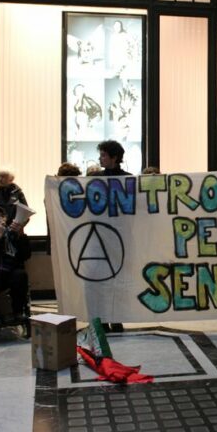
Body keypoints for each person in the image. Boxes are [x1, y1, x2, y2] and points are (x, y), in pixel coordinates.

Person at [97, 140, 129, 332]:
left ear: (114, 157)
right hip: (99, 238)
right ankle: (102, 318)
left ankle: (116, 317)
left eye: (103, 155)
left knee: (118, 280)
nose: (100, 158)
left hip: (120, 238)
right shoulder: (94, 179)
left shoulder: (128, 179)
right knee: (100, 281)